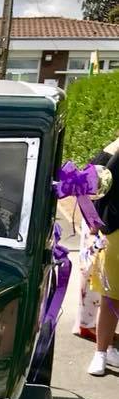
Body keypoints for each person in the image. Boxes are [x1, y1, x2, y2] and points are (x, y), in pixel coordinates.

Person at [87, 137, 119, 376]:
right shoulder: (114, 152)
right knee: (111, 296)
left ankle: (110, 349)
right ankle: (101, 352)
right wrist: (96, 222)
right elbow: (98, 181)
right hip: (116, 231)